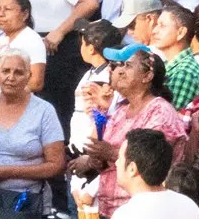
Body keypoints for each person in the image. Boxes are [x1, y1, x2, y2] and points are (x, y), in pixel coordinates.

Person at [73, 48, 188, 219]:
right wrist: (95, 159)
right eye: (117, 65)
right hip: (110, 209)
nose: (118, 71)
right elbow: (105, 160)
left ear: (147, 76)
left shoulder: (160, 112)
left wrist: (110, 153)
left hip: (145, 211)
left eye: (127, 65)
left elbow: (151, 162)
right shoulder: (121, 110)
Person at [0, 49, 65, 219]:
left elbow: (57, 164)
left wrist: (11, 171)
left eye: (18, 72)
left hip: (23, 205)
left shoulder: (44, 111)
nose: (11, 77)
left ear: (29, 76)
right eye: (5, 71)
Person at [26, 0, 99, 132]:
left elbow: (90, 1)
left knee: (58, 110)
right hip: (42, 49)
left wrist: (59, 32)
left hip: (61, 50)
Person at [114, 128, 199, 219]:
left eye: (120, 158)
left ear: (132, 169)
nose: (116, 163)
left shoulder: (125, 214)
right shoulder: (189, 205)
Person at [149, 0, 199, 111]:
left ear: (181, 33)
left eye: (162, 26)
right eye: (156, 25)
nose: (155, 31)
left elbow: (167, 117)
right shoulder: (169, 64)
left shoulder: (185, 73)